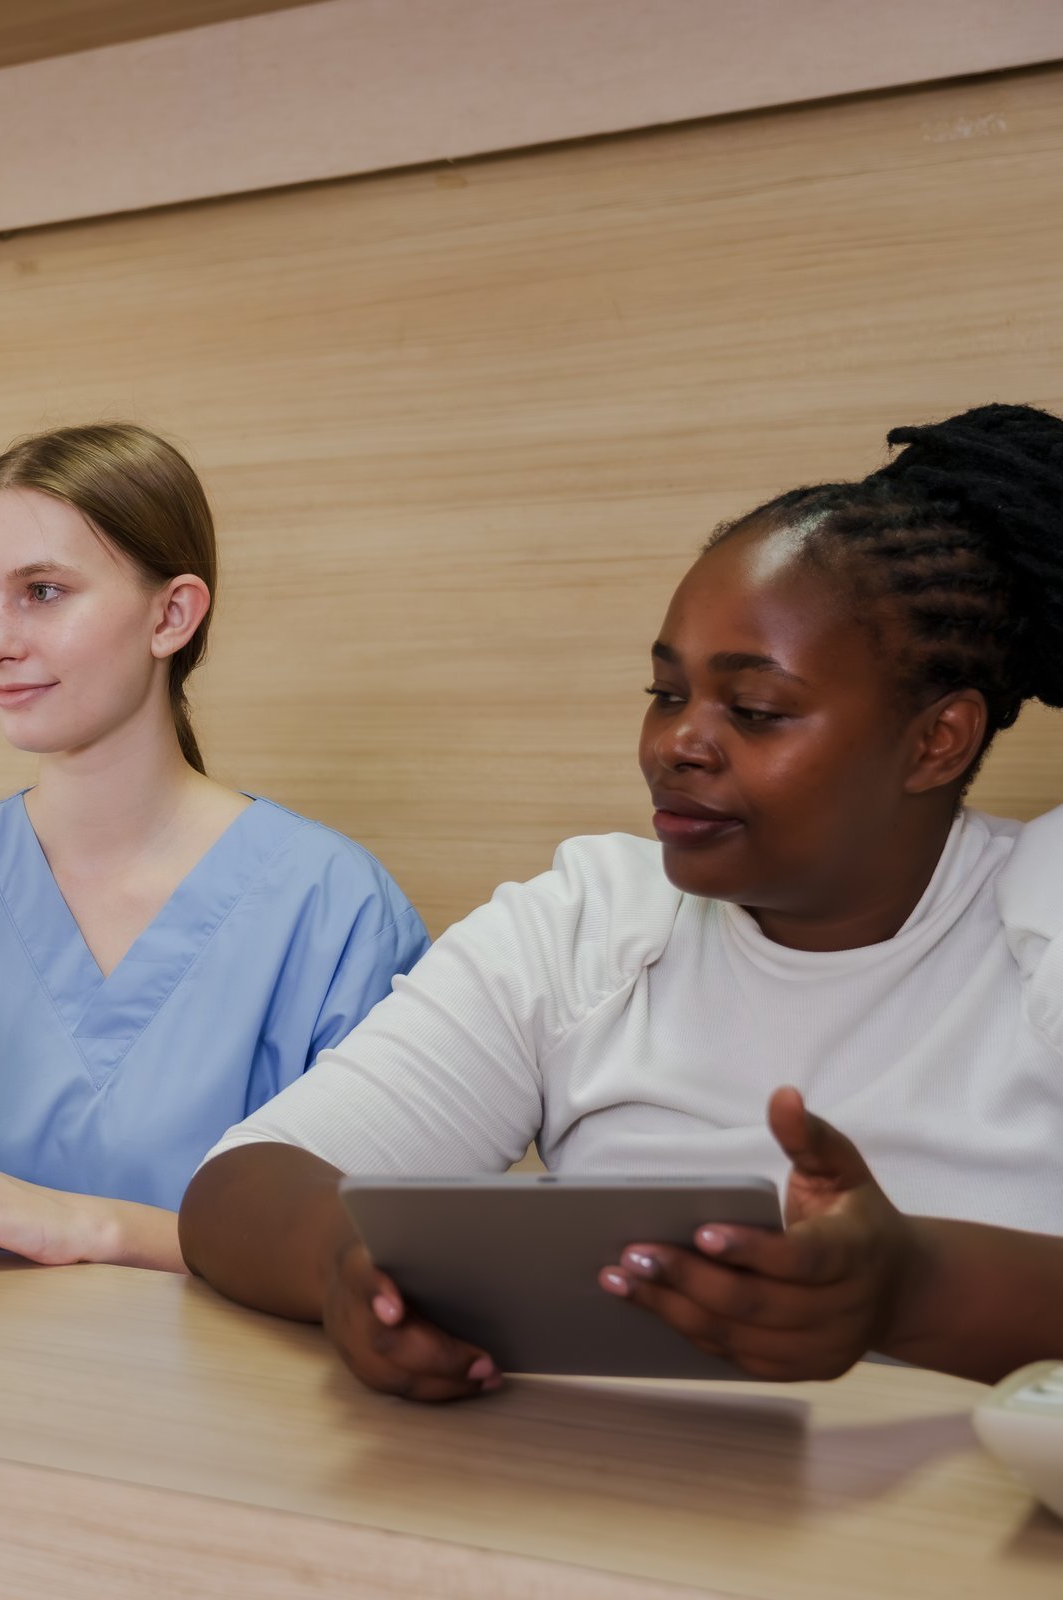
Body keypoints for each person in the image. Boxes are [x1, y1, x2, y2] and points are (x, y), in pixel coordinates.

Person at [181, 403, 1063, 1399]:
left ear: (936, 739)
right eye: (666, 692)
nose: (675, 744)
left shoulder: (1043, 914)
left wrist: (909, 1288)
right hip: (610, 1515)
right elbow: (238, 1184)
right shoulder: (587, 921)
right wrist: (355, 1270)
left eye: (756, 709)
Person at [0, 424, 427, 1272]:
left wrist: (90, 1227)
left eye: (43, 592)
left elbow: (379, 1250)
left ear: (171, 614)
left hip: (228, 1396)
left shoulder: (333, 907)